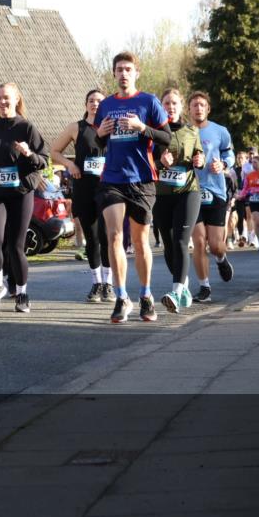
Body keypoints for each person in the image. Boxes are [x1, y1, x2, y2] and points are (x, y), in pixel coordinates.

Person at [93, 52, 171, 323]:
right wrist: (99, 135)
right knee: (114, 237)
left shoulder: (148, 102)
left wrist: (142, 128)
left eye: (128, 69)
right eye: (119, 70)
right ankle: (121, 296)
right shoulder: (106, 105)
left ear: (136, 72)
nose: (123, 74)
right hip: (112, 179)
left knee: (139, 242)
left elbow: (167, 137)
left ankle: (146, 295)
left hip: (142, 179)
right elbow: (100, 141)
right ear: (113, 74)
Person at [0, 83, 47, 312]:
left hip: (21, 193)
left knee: (16, 246)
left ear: (16, 100)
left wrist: (28, 153)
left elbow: (43, 161)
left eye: (6, 98)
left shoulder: (26, 127)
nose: (1, 102)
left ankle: (22, 294)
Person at [51, 88, 114, 302]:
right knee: (92, 238)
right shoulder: (76, 128)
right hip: (84, 187)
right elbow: (54, 151)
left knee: (108, 237)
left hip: (108, 188)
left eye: (99, 101)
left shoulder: (113, 126)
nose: (95, 104)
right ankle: (97, 283)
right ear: (85, 104)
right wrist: (70, 165)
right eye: (91, 101)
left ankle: (109, 283)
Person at [152, 88, 204, 314]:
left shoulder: (191, 131)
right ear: (160, 107)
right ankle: (182, 285)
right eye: (166, 104)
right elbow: (146, 164)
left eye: (174, 103)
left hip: (188, 191)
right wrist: (160, 162)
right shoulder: (152, 133)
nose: (170, 107)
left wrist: (200, 160)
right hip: (161, 195)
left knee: (182, 240)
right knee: (169, 243)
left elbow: (199, 157)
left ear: (181, 106)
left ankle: (175, 290)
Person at [189, 91, 235, 304]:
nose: (198, 108)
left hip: (215, 191)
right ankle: (204, 287)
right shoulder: (184, 131)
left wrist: (223, 165)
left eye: (202, 105)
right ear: (188, 109)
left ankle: (221, 257)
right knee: (198, 241)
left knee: (215, 244)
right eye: (194, 105)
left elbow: (230, 154)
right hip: (191, 192)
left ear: (208, 109)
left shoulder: (220, 131)